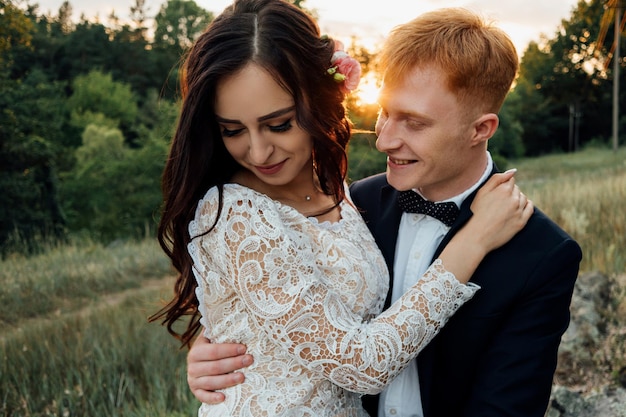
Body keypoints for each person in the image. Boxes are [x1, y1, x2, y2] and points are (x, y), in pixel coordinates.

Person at [184, 6, 583, 417]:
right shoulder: (360, 202)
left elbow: (505, 408)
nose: (383, 141)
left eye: (413, 122)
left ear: (480, 129)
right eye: (385, 113)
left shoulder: (542, 254)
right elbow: (287, 311)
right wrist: (218, 342)